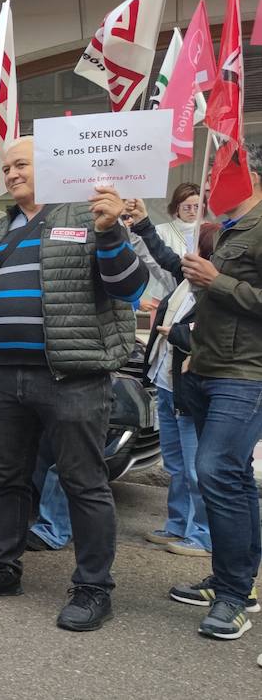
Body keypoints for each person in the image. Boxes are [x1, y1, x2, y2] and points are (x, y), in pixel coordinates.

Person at [0, 137, 146, 632]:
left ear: (52, 165)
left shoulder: (89, 215)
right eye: (6, 167)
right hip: (1, 372)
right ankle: (2, 568)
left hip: (72, 376)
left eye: (22, 164)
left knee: (84, 483)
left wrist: (109, 235)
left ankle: (93, 589)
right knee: (6, 478)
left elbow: (129, 287)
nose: (11, 173)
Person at [169, 143, 262, 644]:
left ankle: (232, 595)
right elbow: (191, 280)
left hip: (245, 373)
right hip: (207, 367)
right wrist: (142, 226)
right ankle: (238, 584)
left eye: (216, 174)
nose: (206, 183)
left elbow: (222, 287)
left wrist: (219, 281)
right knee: (234, 476)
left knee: (215, 471)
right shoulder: (230, 230)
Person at [124, 198, 212, 557]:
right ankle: (177, 525)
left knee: (196, 468)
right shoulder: (185, 280)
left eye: (197, 250)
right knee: (176, 464)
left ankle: (203, 534)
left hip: (191, 391)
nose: (186, 257)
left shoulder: (215, 292)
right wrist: (144, 223)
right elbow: (164, 257)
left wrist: (175, 333)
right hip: (167, 385)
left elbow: (205, 338)